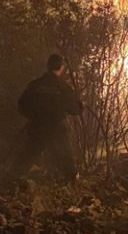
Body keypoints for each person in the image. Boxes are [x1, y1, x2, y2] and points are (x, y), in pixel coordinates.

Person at [12, 53, 83, 183]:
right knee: (66, 156)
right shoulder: (63, 87)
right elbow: (75, 109)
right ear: (61, 68)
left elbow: (22, 104)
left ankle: (10, 180)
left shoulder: (35, 85)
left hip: (37, 127)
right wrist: (80, 104)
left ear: (47, 66)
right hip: (57, 128)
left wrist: (34, 116)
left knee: (28, 155)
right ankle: (73, 182)